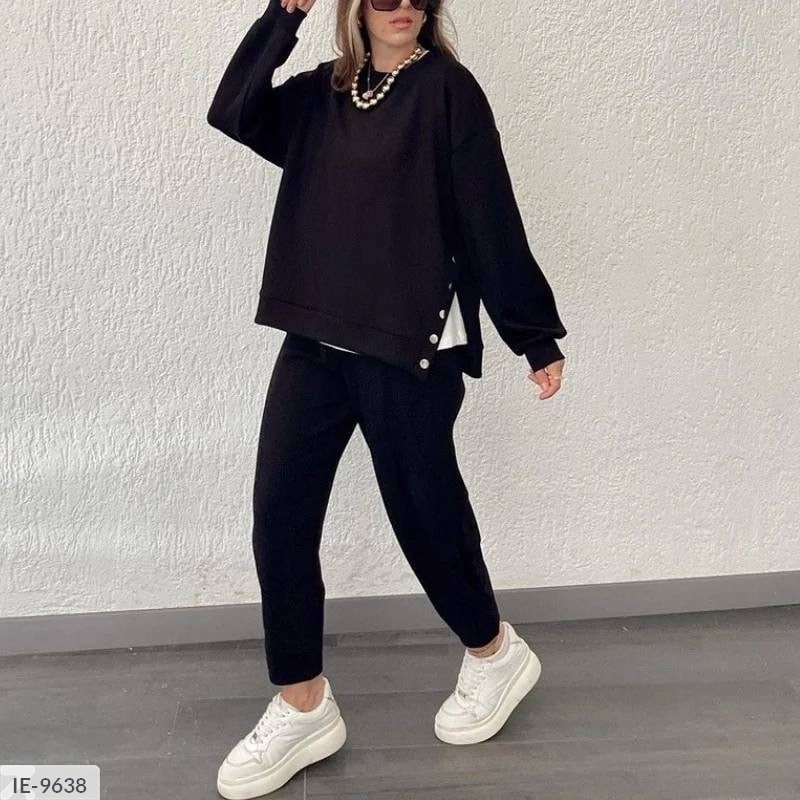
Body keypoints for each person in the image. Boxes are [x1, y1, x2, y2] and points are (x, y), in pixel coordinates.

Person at [206, 0, 567, 796]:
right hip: (315, 338)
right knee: (279, 516)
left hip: (410, 346)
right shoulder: (324, 93)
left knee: (425, 517)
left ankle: (494, 653)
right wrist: (281, 17)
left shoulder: (447, 91)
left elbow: (489, 214)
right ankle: (302, 703)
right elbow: (233, 110)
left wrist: (533, 334)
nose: (401, 6)